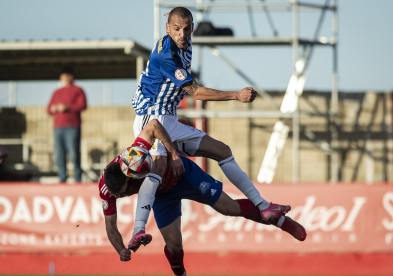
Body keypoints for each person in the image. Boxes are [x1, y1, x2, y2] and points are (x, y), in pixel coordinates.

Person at [131, 6, 289, 241]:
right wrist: (235, 95)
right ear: (167, 28)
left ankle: (263, 205)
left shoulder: (186, 42)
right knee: (159, 167)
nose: (182, 34)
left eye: (186, 29)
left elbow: (178, 28)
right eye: (176, 29)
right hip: (151, 116)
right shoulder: (166, 54)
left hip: (170, 117)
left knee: (222, 151)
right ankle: (138, 230)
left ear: (192, 28)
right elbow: (196, 92)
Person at [100, 123, 306, 276]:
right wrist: (120, 250)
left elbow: (153, 125)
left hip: (182, 175)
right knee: (174, 245)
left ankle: (281, 221)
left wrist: (173, 154)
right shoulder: (107, 190)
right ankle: (181, 275)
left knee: (229, 207)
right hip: (162, 195)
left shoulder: (134, 156)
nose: (119, 198)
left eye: (124, 193)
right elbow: (110, 226)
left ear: (128, 176)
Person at [47, 67, 87, 182]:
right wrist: (54, 108)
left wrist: (67, 107)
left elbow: (82, 105)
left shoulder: (78, 90)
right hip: (58, 128)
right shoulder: (56, 92)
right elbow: (48, 109)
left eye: (68, 75)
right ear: (61, 77)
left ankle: (77, 179)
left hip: (72, 127)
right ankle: (62, 179)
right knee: (59, 155)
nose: (66, 77)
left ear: (72, 76)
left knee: (74, 153)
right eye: (64, 75)